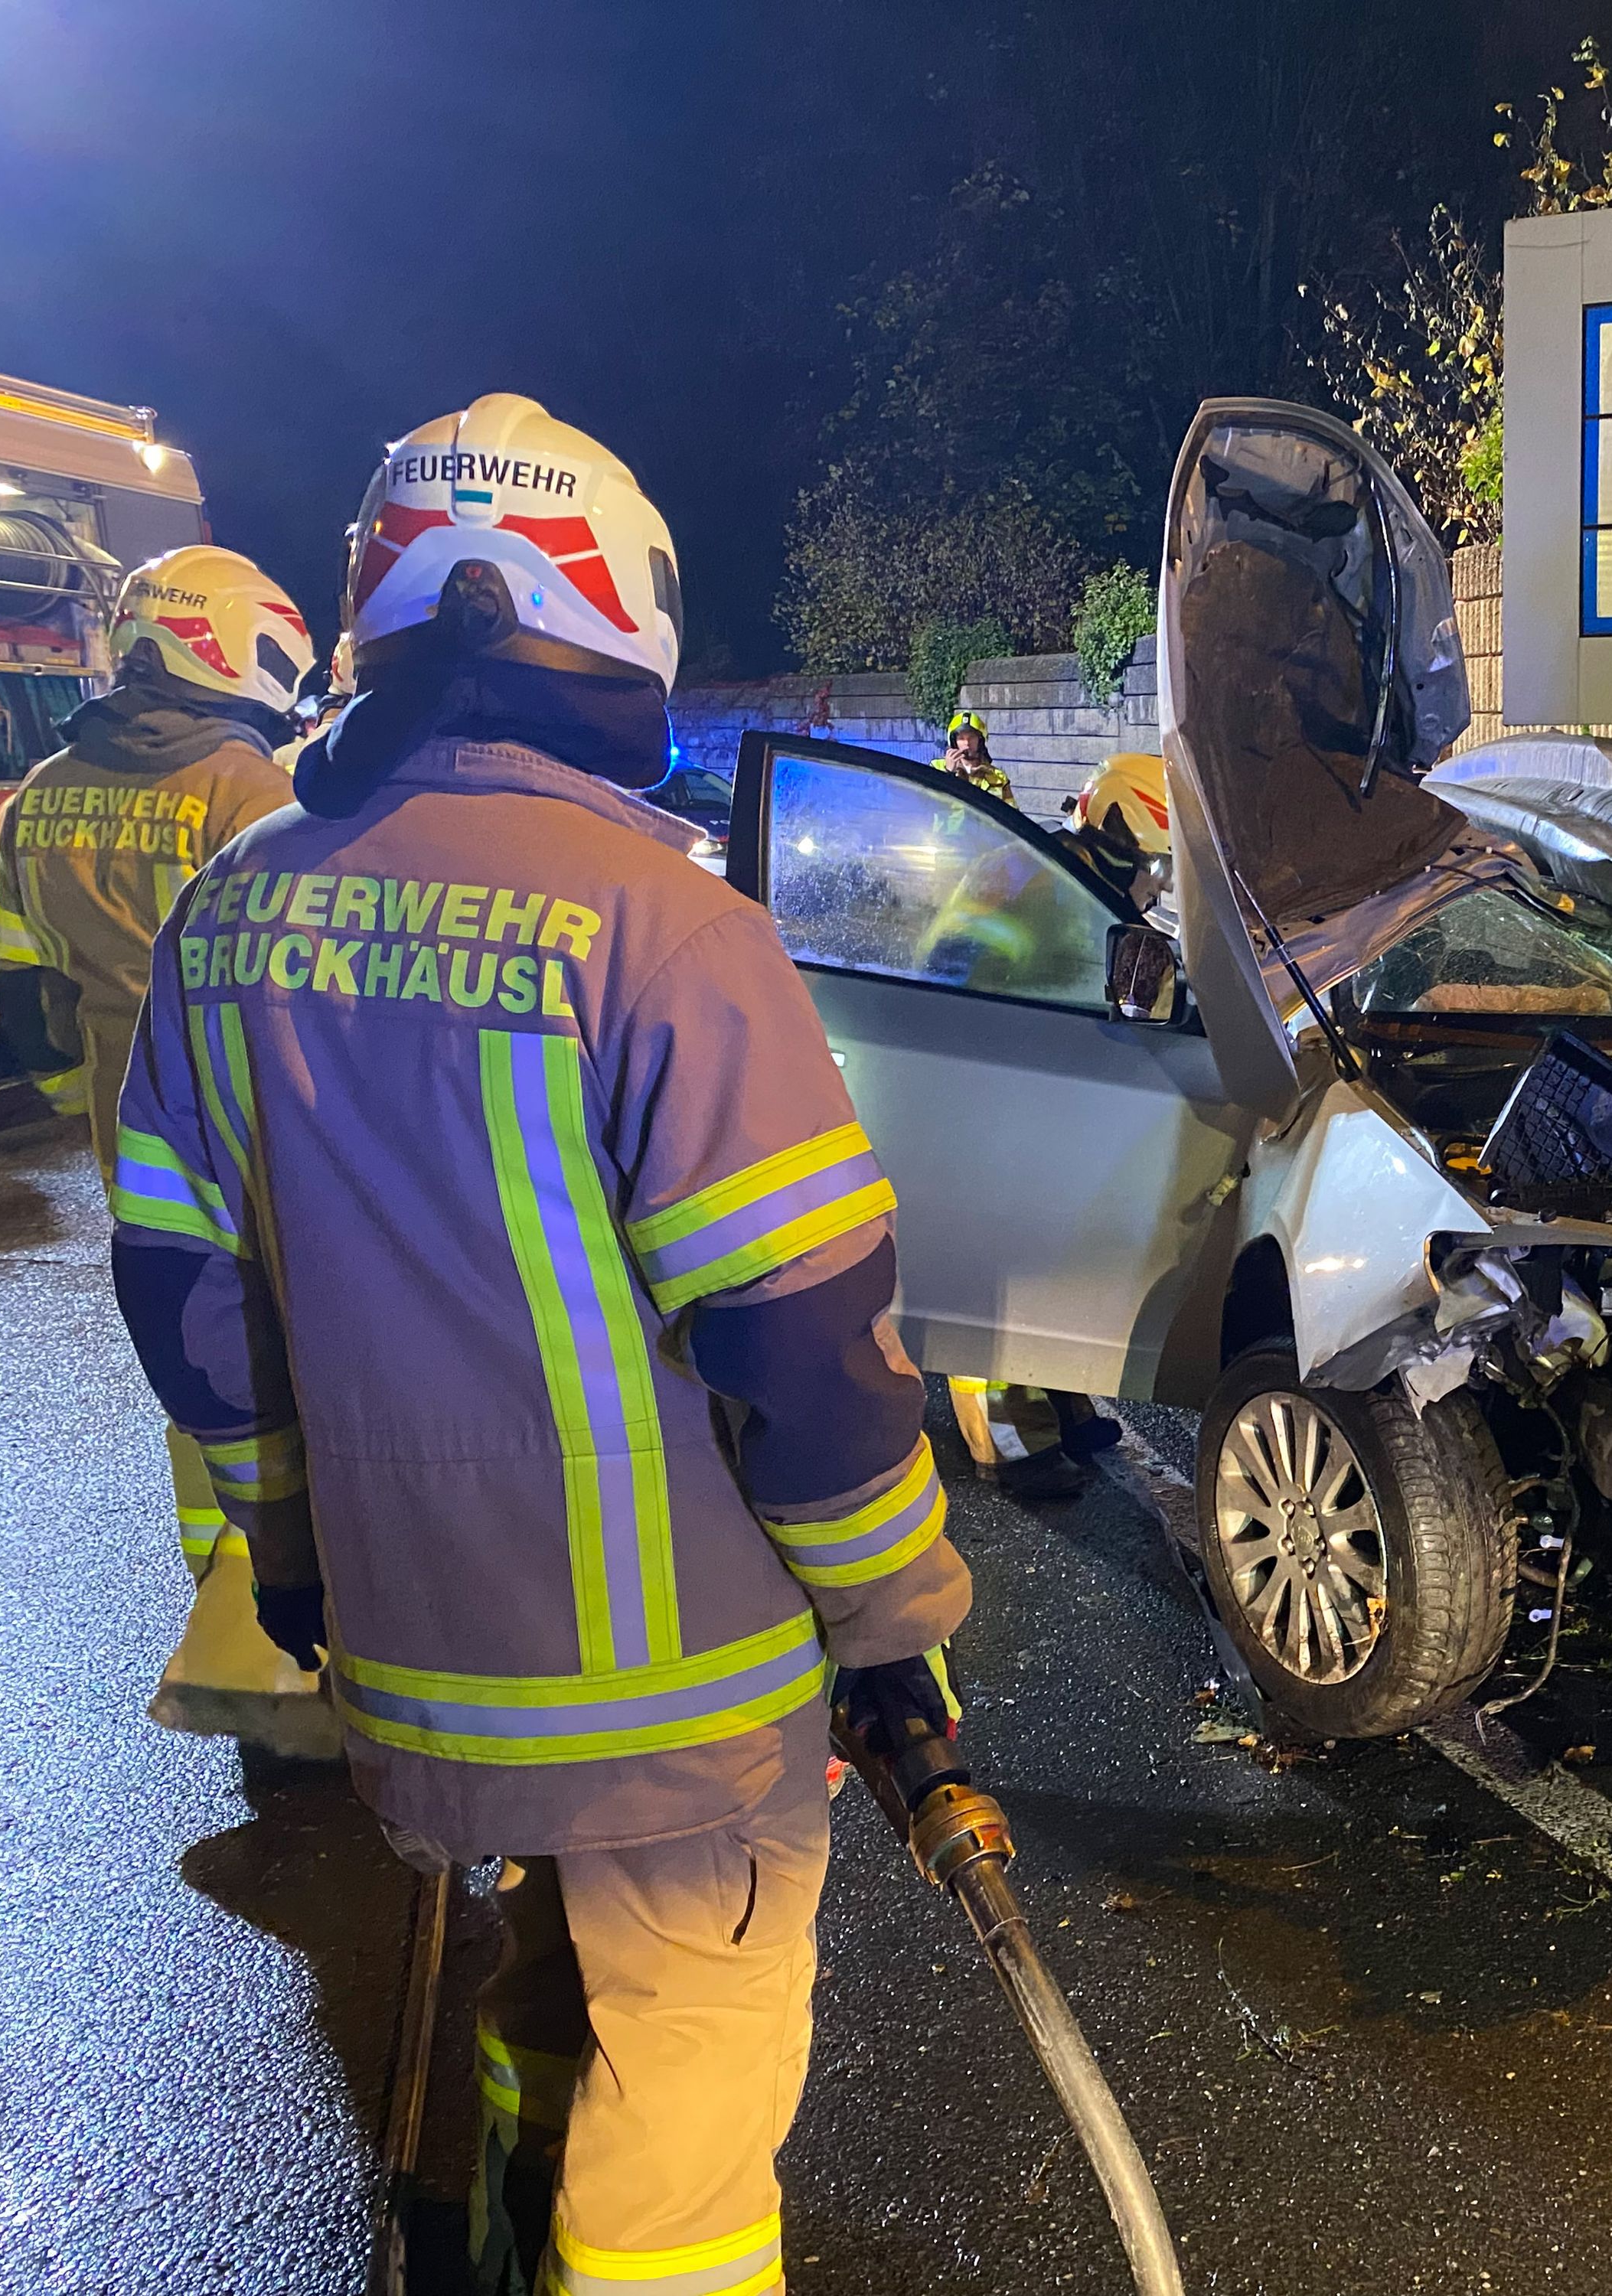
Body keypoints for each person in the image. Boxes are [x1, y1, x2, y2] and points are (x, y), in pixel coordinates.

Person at [105, 393, 968, 2296]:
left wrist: (301, 1557)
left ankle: (512, 2220)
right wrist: (892, 1624)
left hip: (417, 1670)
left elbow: (187, 1305)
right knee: (689, 2116)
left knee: (536, 1990)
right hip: (688, 1704)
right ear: (614, 619)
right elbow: (804, 1348)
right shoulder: (669, 928)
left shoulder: (232, 913)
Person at [0, 546, 338, 1749]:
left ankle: (228, 1603)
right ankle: (322, 1610)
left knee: (195, 1363)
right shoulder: (253, 789)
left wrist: (91, 1108)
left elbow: (25, 1004)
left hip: (131, 1139)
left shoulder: (37, 793)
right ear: (233, 643)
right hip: (258, 1128)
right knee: (301, 1354)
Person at [932, 752, 1170, 1498]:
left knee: (1045, 1265)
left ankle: (1062, 1408)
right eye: (1157, 867)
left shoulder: (1074, 880)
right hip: (978, 1093)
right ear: (1123, 832)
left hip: (1027, 1094)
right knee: (993, 1277)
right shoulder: (1037, 881)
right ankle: (1012, 1447)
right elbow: (971, 977)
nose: (1157, 884)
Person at [938, 707, 1012, 803]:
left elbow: (1011, 813)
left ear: (980, 741)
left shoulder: (998, 778)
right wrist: (949, 773)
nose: (967, 743)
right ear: (954, 742)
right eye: (961, 738)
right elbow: (931, 805)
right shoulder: (937, 768)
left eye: (972, 737)